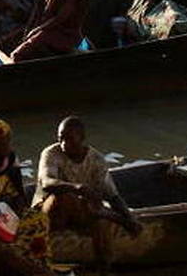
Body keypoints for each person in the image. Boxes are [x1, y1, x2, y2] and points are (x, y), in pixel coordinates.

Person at [33, 116, 141, 272]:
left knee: (100, 220)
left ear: (82, 138)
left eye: (69, 139)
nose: (64, 144)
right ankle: (111, 217)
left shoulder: (96, 160)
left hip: (81, 212)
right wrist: (76, 187)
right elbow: (47, 182)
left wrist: (129, 217)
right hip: (50, 213)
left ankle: (103, 266)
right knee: (66, 196)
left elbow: (112, 196)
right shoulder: (51, 153)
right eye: (61, 138)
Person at [0, 116, 53, 272]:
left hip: (4, 206)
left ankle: (37, 262)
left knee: (38, 219)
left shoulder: (9, 159)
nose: (9, 144)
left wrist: (17, 208)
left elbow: (19, 192)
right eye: (5, 141)